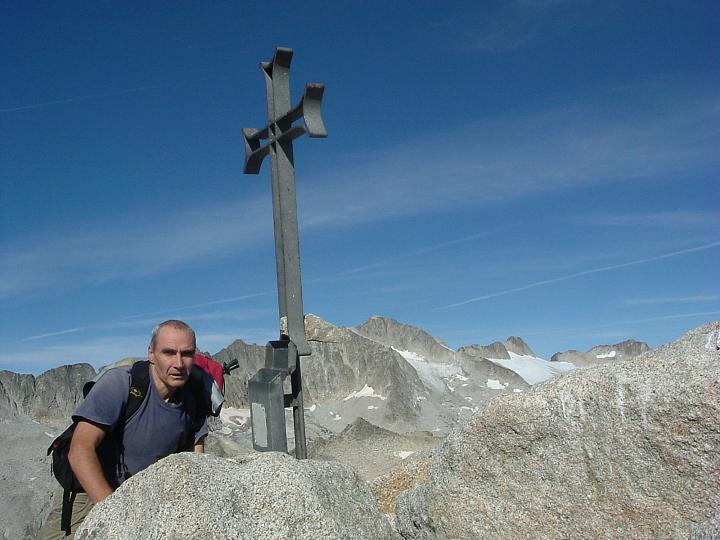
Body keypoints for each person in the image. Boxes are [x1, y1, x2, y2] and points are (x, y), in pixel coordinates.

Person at [37, 320, 208, 539]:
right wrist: (116, 513)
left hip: (143, 494)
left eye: (187, 354)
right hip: (88, 490)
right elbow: (80, 450)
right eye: (168, 352)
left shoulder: (194, 399)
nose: (179, 363)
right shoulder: (121, 384)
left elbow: (195, 462)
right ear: (151, 354)